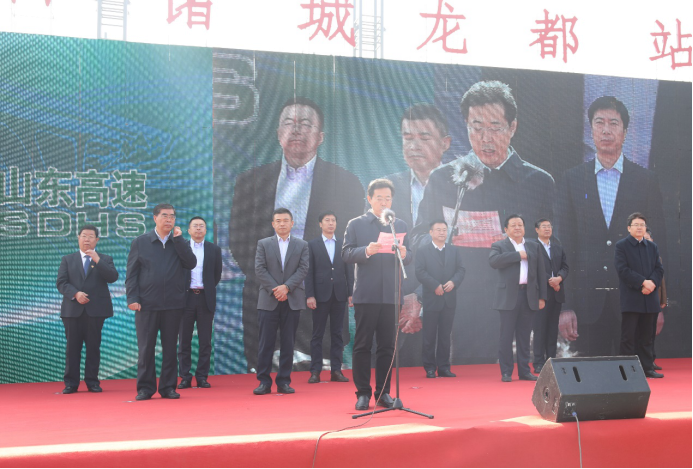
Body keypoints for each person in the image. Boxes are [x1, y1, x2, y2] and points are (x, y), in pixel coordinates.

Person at [416, 81, 555, 366]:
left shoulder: (538, 182)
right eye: (476, 128)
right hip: (462, 307)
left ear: (512, 127)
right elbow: (418, 237)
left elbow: (552, 249)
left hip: (519, 305)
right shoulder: (444, 180)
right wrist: (443, 239)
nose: (485, 138)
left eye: (495, 127)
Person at [229, 97, 364, 372]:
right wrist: (274, 281)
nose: (296, 130)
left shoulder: (346, 182)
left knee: (322, 374)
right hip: (269, 292)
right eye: (289, 123)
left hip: (322, 292)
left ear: (320, 136)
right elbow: (239, 241)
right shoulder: (251, 181)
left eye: (305, 124)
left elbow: (350, 242)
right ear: (278, 133)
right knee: (267, 373)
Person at [556, 96, 666, 357]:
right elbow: (564, 248)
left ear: (625, 132)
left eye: (613, 123)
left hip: (634, 302)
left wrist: (656, 304)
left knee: (633, 375)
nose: (606, 130)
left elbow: (657, 248)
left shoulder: (645, 180)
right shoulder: (572, 180)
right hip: (586, 307)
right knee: (590, 376)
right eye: (599, 123)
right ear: (591, 130)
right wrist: (565, 306)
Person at [386, 103, 452, 360]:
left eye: (424, 138)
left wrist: (421, 297)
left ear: (445, 143)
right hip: (398, 305)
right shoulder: (385, 189)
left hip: (447, 303)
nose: (414, 145)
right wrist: (405, 298)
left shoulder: (462, 187)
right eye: (408, 138)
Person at [343, 179, 412, 411]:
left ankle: (383, 392)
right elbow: (346, 253)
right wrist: (366, 251)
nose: (384, 202)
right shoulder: (356, 224)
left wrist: (405, 253)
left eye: (388, 198)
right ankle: (362, 393)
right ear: (369, 199)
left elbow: (410, 256)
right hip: (367, 294)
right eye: (379, 198)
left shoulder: (399, 224)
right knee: (362, 345)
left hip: (392, 295)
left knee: (387, 347)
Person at [126, 204, 197, 401]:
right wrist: (132, 298)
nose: (169, 219)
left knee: (170, 348)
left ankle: (168, 388)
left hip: (173, 304)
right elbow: (131, 274)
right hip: (146, 305)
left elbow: (190, 263)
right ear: (155, 218)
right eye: (164, 216)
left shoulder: (179, 242)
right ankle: (145, 388)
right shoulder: (141, 242)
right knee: (146, 349)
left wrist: (179, 240)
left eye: (172, 216)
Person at [56, 225, 119, 394]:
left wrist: (98, 260)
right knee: (72, 348)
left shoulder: (105, 259)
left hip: (95, 311)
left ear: (96, 240)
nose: (87, 239)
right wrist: (75, 293)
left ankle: (92, 382)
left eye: (91, 236)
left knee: (93, 347)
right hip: (72, 311)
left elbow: (112, 277)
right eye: (84, 236)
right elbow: (61, 282)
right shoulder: (68, 259)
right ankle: (71, 383)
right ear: (78, 238)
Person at [253, 208, 310, 395]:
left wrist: (287, 287)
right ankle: (264, 382)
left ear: (292, 223)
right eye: (278, 221)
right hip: (269, 299)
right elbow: (260, 269)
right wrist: (276, 289)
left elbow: (303, 269)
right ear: (273, 224)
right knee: (266, 343)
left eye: (286, 220)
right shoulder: (263, 244)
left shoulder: (302, 245)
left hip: (292, 299)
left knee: (288, 343)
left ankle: (284, 381)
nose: (282, 224)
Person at [489, 215, 547, 382]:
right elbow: (493, 261)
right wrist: (518, 255)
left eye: (520, 225)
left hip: (528, 296)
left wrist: (542, 297)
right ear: (506, 229)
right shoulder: (499, 245)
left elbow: (541, 272)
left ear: (524, 228)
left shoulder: (534, 246)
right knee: (506, 336)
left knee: (524, 336)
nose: (517, 228)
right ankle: (506, 372)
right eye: (513, 225)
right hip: (508, 297)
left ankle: (524, 371)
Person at [305, 211, 354, 384]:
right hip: (320, 295)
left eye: (333, 220)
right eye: (327, 220)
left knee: (337, 334)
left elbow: (349, 271)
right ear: (320, 224)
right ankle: (315, 371)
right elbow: (308, 272)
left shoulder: (343, 244)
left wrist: (350, 293)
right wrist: (310, 295)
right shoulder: (312, 245)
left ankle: (336, 371)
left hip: (339, 294)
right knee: (317, 334)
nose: (331, 223)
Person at [614, 213, 664, 379]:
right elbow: (623, 270)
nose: (639, 227)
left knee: (647, 336)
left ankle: (647, 368)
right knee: (628, 337)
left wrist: (652, 284)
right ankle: (626, 370)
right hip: (632, 298)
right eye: (636, 225)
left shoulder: (652, 247)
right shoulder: (621, 246)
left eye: (642, 225)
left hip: (650, 298)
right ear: (629, 228)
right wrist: (643, 282)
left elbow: (659, 269)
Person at [415, 220, 465, 378]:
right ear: (431, 232)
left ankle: (444, 367)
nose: (442, 232)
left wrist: (454, 282)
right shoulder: (423, 251)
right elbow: (420, 272)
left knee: (445, 335)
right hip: (431, 298)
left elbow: (461, 269)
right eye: (438, 230)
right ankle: (430, 368)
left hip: (449, 299)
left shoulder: (453, 250)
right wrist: (434, 285)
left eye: (444, 229)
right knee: (429, 336)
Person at [177, 217, 222, 390]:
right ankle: (185, 377)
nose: (198, 229)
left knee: (205, 341)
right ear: (189, 230)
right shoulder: (181, 248)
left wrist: (206, 288)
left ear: (205, 230)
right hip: (185, 298)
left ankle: (202, 377)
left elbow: (216, 274)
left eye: (201, 226)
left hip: (205, 298)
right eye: (195, 226)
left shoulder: (214, 249)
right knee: (184, 341)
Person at [532, 218, 569, 374]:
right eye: (544, 226)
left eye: (549, 226)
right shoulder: (532, 247)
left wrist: (559, 278)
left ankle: (551, 360)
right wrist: (551, 281)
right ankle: (538, 362)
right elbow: (534, 269)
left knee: (553, 329)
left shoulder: (558, 248)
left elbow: (565, 267)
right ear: (537, 230)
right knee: (540, 329)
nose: (547, 229)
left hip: (556, 294)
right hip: (541, 294)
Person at [643, 229, 667, 371]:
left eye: (647, 238)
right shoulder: (633, 256)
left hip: (654, 299)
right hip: (639, 299)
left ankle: (650, 360)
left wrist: (663, 299)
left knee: (651, 333)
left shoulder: (657, 257)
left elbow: (661, 281)